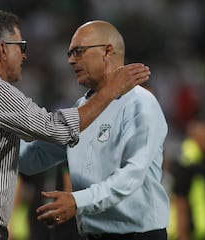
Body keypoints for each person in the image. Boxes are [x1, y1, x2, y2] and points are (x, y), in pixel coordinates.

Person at [0, 8, 150, 240]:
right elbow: (55, 129)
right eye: (20, 47)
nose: (24, 56)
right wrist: (110, 91)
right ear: (2, 49)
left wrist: (85, 135)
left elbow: (27, 159)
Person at [19, 20, 169, 240]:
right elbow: (34, 157)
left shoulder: (140, 103)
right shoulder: (82, 109)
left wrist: (77, 201)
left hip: (138, 235)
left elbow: (131, 176)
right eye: (69, 53)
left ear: (107, 50)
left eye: (78, 52)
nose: (71, 60)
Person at [171, 120, 205, 240]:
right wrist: (183, 235)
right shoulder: (187, 163)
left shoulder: (201, 162)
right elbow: (180, 201)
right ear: (196, 138)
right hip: (186, 235)